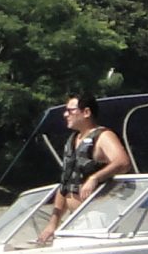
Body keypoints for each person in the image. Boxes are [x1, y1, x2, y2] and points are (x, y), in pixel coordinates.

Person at [49, 94, 130, 223]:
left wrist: (95, 178)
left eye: (70, 110)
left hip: (97, 213)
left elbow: (123, 162)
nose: (65, 114)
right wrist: (53, 223)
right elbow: (65, 183)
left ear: (86, 112)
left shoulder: (103, 136)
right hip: (74, 217)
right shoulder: (72, 140)